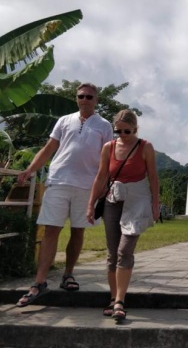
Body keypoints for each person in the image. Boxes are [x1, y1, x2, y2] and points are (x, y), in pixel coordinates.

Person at [16, 83, 113, 308]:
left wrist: (105, 186)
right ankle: (39, 282)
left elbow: (107, 158)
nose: (85, 99)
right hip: (59, 180)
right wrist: (30, 169)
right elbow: (49, 148)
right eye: (81, 96)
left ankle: (68, 274)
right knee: (51, 229)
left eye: (89, 96)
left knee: (78, 231)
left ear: (96, 99)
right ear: (76, 98)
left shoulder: (104, 125)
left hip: (87, 186)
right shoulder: (64, 120)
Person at [86, 109, 159, 321]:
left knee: (124, 250)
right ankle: (114, 298)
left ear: (135, 129)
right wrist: (91, 204)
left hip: (137, 199)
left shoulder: (145, 147)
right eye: (118, 131)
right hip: (113, 199)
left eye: (127, 131)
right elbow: (101, 176)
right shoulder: (109, 147)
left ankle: (120, 301)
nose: (122, 135)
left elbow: (153, 177)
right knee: (112, 253)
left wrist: (155, 204)